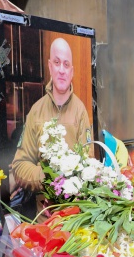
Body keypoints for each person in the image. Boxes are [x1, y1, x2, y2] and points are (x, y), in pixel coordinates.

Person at [11, 37, 91, 210]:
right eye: (57, 62)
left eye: (66, 64)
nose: (61, 70)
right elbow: (19, 165)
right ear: (49, 66)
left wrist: (68, 183)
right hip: (44, 214)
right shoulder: (36, 112)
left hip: (74, 212)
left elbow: (88, 164)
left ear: (72, 71)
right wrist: (48, 178)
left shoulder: (80, 112)